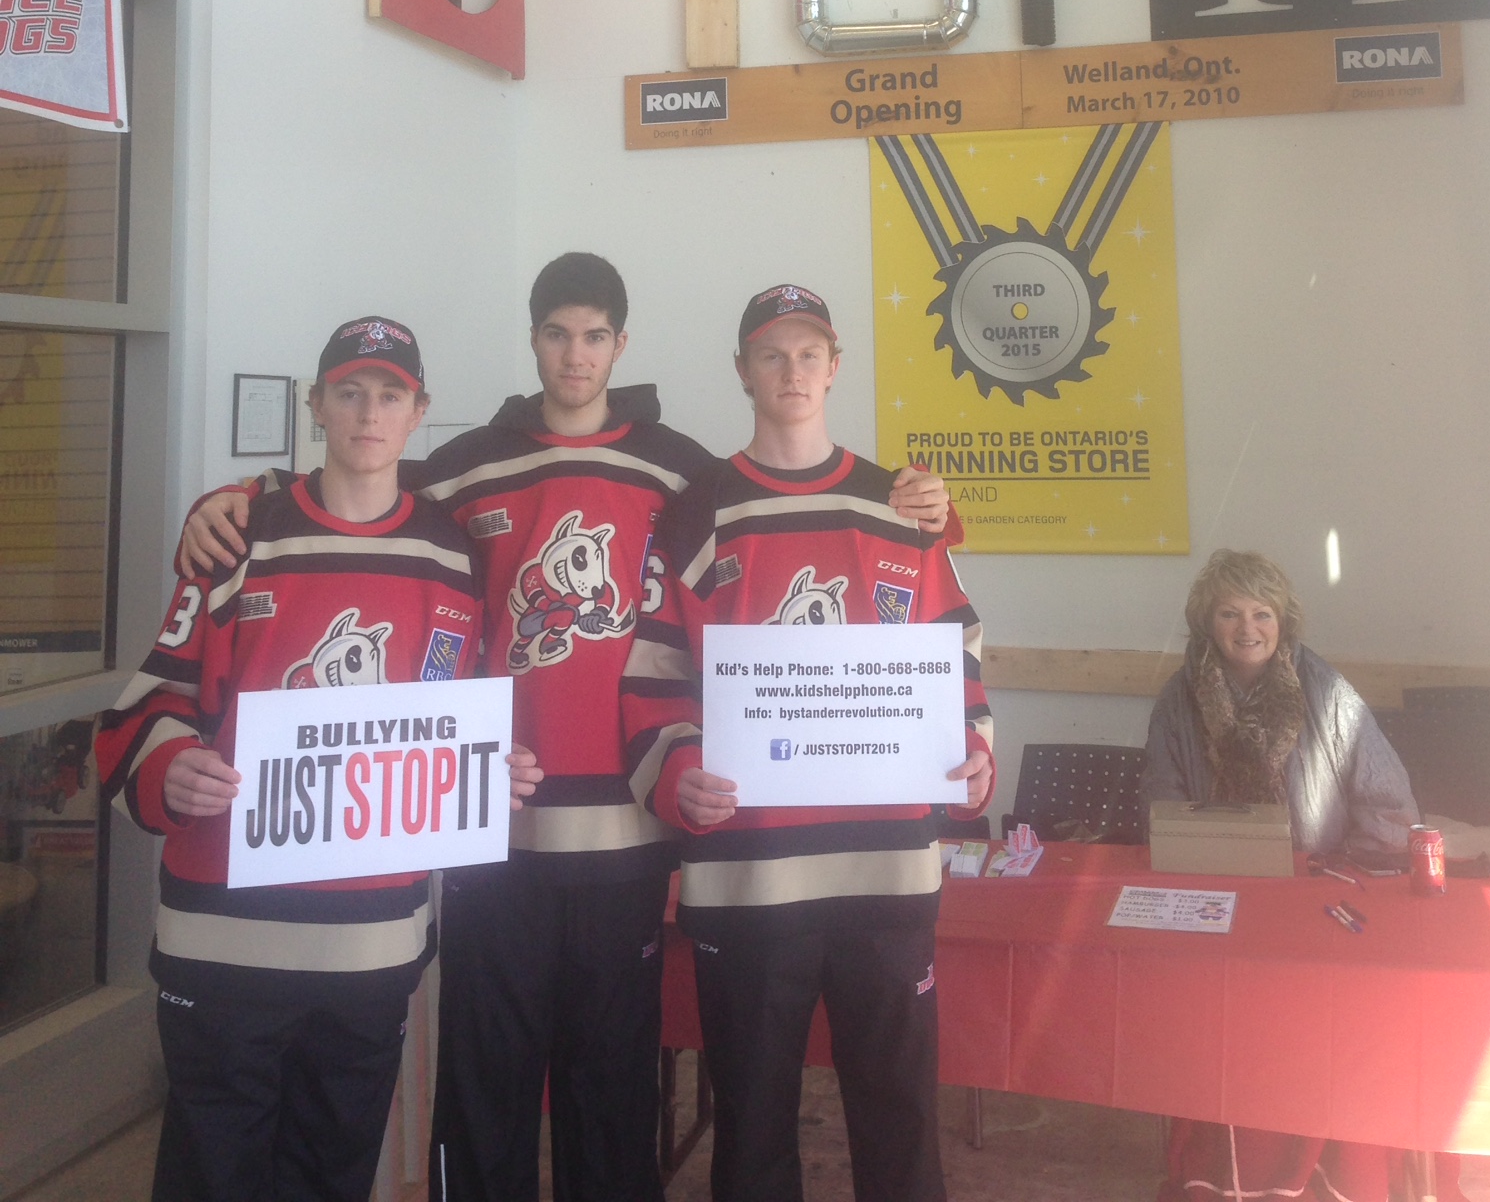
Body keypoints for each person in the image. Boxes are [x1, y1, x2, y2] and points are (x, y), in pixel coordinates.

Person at [175, 256, 953, 1202]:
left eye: (593, 336)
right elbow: (361, 481)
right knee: (486, 1081)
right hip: (493, 828)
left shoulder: (683, 471)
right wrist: (243, 493)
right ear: (535, 339)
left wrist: (927, 501)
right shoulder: (471, 464)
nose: (575, 355)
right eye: (556, 334)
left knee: (611, 1085)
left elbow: (784, 500)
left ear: (620, 346)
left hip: (627, 832)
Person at [95, 317, 541, 1202]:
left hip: (370, 946)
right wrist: (168, 764)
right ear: (317, 405)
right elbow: (146, 705)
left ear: (418, 411)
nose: (369, 414)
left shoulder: (453, 556)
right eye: (350, 392)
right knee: (212, 1174)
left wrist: (495, 769)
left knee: (332, 1171)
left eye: (389, 395)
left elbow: (455, 718)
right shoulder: (240, 536)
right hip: (224, 938)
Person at [622, 283, 994, 1202]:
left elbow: (954, 645)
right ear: (743, 370)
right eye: (772, 354)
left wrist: (974, 750)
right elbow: (653, 673)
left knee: (901, 1121)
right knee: (752, 1129)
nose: (791, 372)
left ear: (835, 368)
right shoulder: (697, 512)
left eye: (808, 354)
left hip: (888, 874)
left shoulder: (901, 506)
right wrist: (678, 774)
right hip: (750, 878)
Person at [1143, 547, 1452, 1202]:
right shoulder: (1177, 699)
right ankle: (1226, 1167)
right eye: (1229, 613)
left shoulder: (1327, 691)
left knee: (1315, 1038)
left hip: (1317, 893)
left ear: (1283, 620)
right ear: (1206, 621)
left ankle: (1320, 1163)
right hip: (1219, 894)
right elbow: (1163, 808)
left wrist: (1335, 873)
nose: (1247, 628)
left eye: (1262, 612)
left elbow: (1389, 805)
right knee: (1224, 1038)